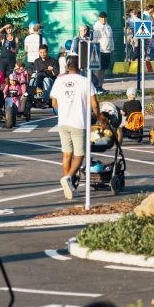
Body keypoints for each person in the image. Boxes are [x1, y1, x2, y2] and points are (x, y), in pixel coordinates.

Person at [52, 56, 98, 200]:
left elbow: (53, 102)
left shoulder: (59, 81)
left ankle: (69, 188)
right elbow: (95, 104)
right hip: (79, 122)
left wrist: (65, 109)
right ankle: (68, 179)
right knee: (79, 156)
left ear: (66, 66)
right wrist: (98, 116)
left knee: (67, 155)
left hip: (63, 122)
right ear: (80, 66)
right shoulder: (85, 81)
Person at [92, 12, 114, 87]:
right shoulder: (96, 27)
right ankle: (96, 85)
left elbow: (111, 39)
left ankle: (100, 85)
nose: (103, 19)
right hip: (100, 51)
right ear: (99, 18)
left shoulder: (108, 27)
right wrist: (94, 52)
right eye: (102, 18)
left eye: (104, 18)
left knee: (103, 70)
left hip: (107, 51)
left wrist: (112, 50)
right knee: (99, 70)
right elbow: (94, 40)